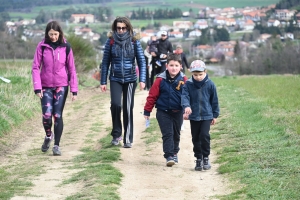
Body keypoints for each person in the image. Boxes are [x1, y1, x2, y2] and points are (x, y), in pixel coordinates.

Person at [32, 20, 78, 156]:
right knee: (47, 115)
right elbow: (35, 67)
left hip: (61, 86)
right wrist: (37, 87)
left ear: (59, 33)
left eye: (55, 34)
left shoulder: (66, 47)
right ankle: (48, 136)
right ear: (47, 34)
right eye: (50, 34)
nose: (53, 37)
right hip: (45, 86)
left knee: (57, 115)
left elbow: (72, 69)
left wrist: (74, 90)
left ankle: (57, 145)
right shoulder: (42, 46)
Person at [100, 16, 146, 148]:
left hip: (131, 79)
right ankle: (116, 134)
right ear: (115, 28)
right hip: (115, 78)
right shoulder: (111, 41)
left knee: (127, 108)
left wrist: (142, 79)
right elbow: (105, 63)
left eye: (123, 28)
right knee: (115, 105)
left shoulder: (134, 41)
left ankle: (127, 138)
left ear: (128, 28)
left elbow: (142, 61)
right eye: (118, 28)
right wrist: (103, 81)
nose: (120, 30)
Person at [144, 53, 187, 167]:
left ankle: (174, 152)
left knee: (176, 134)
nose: (174, 68)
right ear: (166, 66)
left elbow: (189, 96)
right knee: (168, 133)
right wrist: (147, 111)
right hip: (163, 112)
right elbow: (152, 96)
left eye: (176, 66)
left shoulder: (184, 80)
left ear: (181, 67)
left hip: (178, 112)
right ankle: (169, 156)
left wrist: (189, 108)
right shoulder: (160, 79)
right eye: (171, 65)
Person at [181, 60, 220, 171]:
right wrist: (186, 106)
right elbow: (185, 97)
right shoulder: (188, 84)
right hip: (194, 116)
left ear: (205, 72)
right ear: (191, 74)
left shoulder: (210, 84)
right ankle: (198, 158)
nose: (198, 77)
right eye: (195, 75)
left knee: (204, 135)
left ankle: (206, 157)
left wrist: (215, 115)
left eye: (200, 74)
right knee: (196, 138)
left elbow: (214, 101)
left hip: (207, 115)